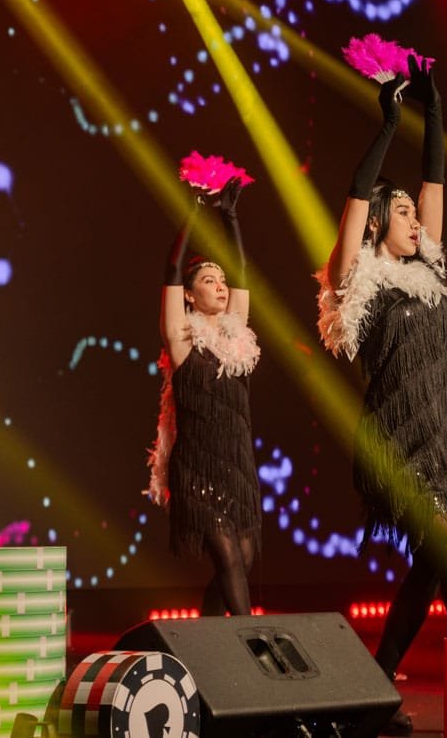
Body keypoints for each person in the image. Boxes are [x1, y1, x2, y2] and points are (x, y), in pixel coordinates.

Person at [316, 58, 447, 733]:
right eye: (405, 211)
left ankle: (374, 684)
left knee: (438, 562)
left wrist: (434, 113)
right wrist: (388, 125)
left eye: (418, 211)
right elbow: (356, 200)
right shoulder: (361, 279)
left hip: (435, 439)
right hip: (392, 438)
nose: (417, 218)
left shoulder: (428, 270)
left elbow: (435, 181)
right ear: (380, 223)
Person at [146, 177, 261, 616]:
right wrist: (194, 213)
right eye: (209, 281)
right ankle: (252, 642)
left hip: (237, 467)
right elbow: (171, 272)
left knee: (242, 558)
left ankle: (208, 637)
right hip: (198, 470)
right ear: (190, 297)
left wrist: (230, 217)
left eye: (221, 281)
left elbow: (242, 272)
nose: (221, 285)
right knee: (227, 555)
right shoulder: (181, 340)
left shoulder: (236, 336)